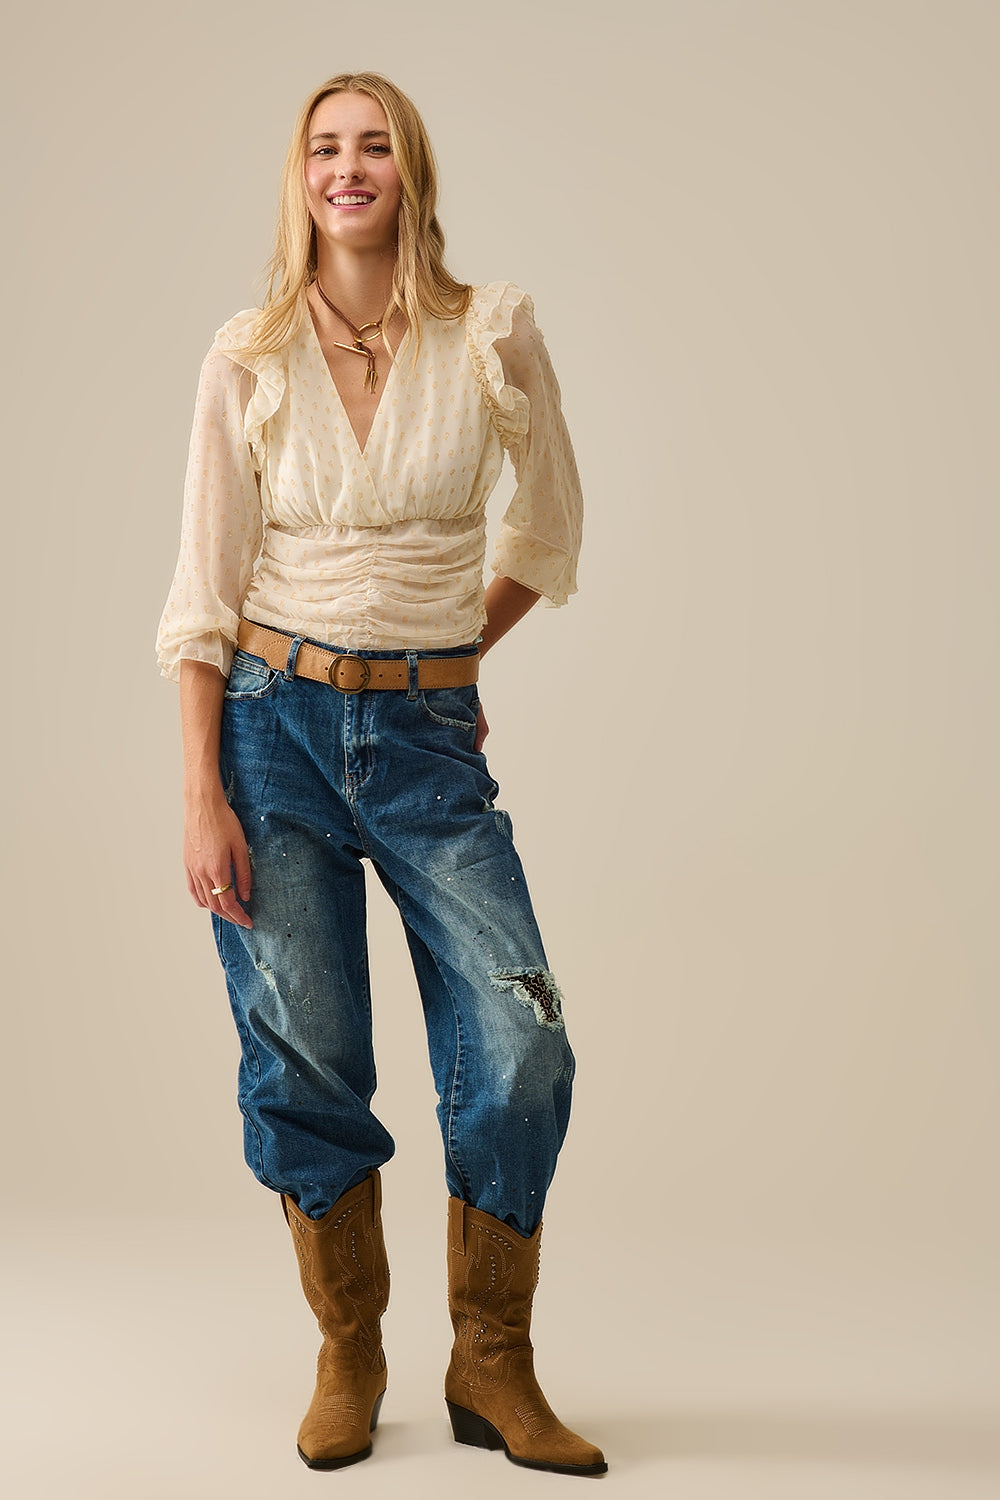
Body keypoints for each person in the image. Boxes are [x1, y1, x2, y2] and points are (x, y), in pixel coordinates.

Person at [156, 71, 605, 1478]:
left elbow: (550, 525)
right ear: (299, 178)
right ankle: (350, 1350)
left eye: (374, 148)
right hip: (269, 728)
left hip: (423, 741)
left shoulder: (492, 334)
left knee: (521, 1042)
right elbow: (202, 596)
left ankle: (492, 1363)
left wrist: (447, 660)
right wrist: (201, 793)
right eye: (324, 149)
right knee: (304, 1050)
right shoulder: (248, 355)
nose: (347, 169)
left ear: (412, 172)